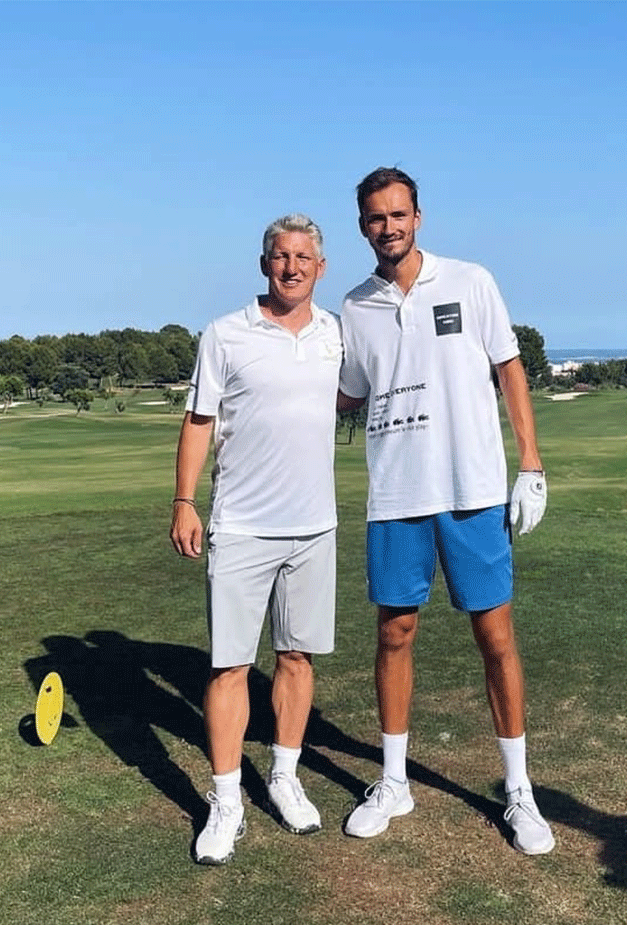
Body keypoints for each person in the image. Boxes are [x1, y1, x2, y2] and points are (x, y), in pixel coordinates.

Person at [336, 167, 555, 855]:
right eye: (376, 218)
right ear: (363, 226)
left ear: (419, 217)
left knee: (495, 638)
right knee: (395, 633)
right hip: (397, 495)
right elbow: (343, 397)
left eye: (398, 214)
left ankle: (518, 791)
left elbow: (509, 367)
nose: (388, 227)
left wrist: (531, 463)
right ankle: (395, 781)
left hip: (473, 490)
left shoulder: (471, 281)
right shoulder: (353, 306)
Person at [170, 213, 342, 865]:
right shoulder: (226, 334)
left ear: (320, 268)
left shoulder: (334, 335)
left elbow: (352, 396)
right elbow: (199, 419)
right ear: (264, 263)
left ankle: (284, 777)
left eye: (303, 257)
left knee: (297, 657)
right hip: (241, 525)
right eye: (280, 256)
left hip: (313, 526)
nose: (292, 266)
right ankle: (225, 801)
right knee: (230, 666)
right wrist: (185, 500)